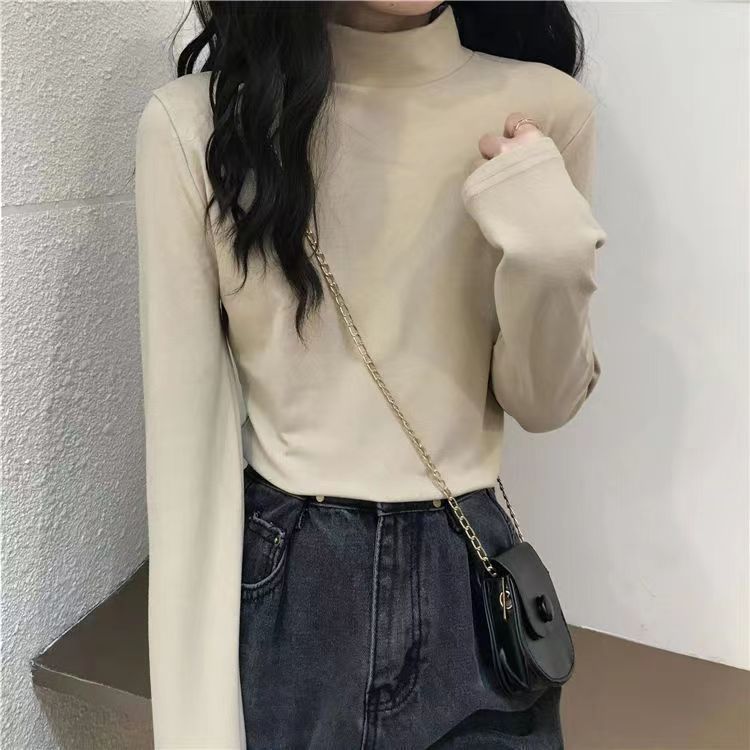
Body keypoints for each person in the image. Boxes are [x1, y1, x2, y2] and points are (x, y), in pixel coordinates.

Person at [134, 1, 607, 747]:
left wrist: (551, 259)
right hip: (292, 582)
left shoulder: (545, 110)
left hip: (469, 575)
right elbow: (185, 457)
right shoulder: (196, 126)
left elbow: (542, 402)